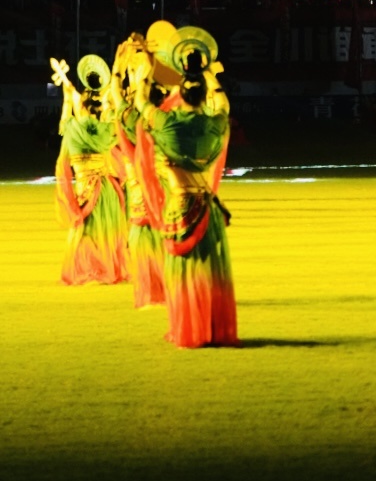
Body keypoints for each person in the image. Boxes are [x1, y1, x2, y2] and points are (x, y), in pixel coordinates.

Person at [135, 29, 238, 348]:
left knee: (183, 272)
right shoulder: (213, 125)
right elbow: (223, 105)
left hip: (179, 207)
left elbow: (140, 101)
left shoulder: (167, 124)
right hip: (207, 208)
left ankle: (189, 328)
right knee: (210, 270)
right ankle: (211, 327)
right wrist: (207, 72)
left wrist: (146, 67)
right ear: (205, 94)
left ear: (180, 93)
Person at [51, 54, 129, 286]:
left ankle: (87, 268)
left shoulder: (72, 129)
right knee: (108, 230)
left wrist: (68, 98)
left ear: (81, 107)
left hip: (85, 186)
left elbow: (65, 121)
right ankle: (107, 268)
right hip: (106, 188)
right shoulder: (106, 129)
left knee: (84, 230)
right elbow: (116, 122)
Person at [108, 35, 166, 309]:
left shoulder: (129, 117)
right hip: (162, 179)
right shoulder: (163, 119)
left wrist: (118, 66)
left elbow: (115, 94)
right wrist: (149, 62)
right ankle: (167, 285)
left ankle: (149, 288)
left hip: (136, 179)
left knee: (140, 230)